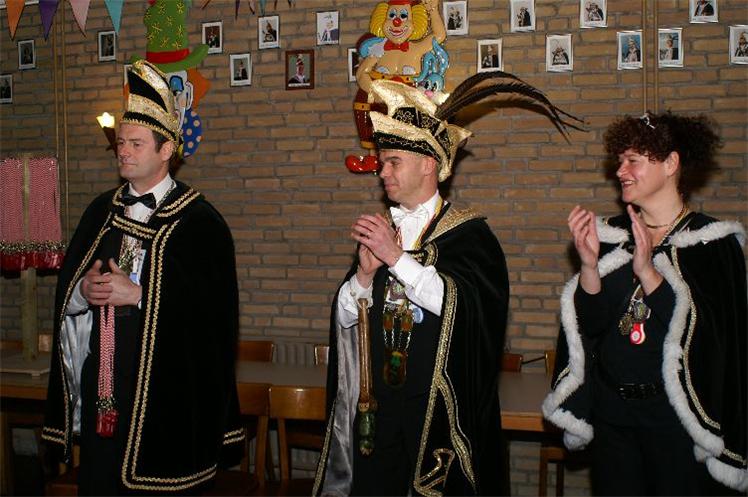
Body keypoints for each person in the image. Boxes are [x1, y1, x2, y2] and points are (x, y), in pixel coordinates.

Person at [314, 73, 582, 496]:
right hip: (380, 408)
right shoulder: (385, 229)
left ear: (429, 164)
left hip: (436, 410)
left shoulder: (471, 237)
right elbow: (348, 321)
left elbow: (470, 314)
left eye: (393, 162)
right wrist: (363, 278)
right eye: (382, 162)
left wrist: (396, 259)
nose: (382, 172)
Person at [42, 60, 244, 495]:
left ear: (166, 149)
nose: (124, 152)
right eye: (121, 142)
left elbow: (214, 319)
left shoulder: (200, 222)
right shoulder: (100, 211)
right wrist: (82, 291)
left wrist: (138, 295)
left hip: (168, 395)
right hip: (105, 386)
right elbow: (67, 293)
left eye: (136, 143)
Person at [542, 111, 747, 495]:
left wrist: (649, 273)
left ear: (670, 164)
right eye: (620, 160)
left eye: (633, 160)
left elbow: (710, 340)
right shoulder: (610, 236)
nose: (621, 170)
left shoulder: (712, 244)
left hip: (675, 422)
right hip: (612, 417)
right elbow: (592, 326)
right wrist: (589, 266)